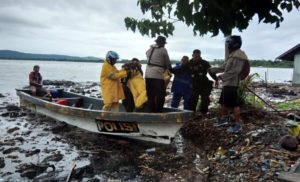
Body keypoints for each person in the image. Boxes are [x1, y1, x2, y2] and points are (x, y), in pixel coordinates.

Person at [211, 35, 248, 132]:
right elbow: (225, 67)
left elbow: (234, 71)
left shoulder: (238, 56)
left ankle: (237, 124)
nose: (227, 45)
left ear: (234, 44)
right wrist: (213, 70)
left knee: (234, 105)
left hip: (232, 84)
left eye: (229, 43)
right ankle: (223, 119)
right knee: (223, 102)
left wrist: (220, 77)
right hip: (227, 83)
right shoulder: (232, 54)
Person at [170, 49, 218, 120]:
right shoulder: (189, 64)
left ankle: (203, 116)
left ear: (200, 56)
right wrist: (169, 69)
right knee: (192, 100)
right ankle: (192, 115)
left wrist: (216, 79)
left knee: (205, 100)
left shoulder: (204, 63)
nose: (197, 58)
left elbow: (211, 72)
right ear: (192, 55)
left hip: (204, 84)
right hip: (194, 85)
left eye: (198, 56)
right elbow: (180, 70)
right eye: (195, 56)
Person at [145, 36, 171, 113]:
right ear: (162, 43)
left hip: (147, 75)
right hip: (157, 75)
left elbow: (147, 55)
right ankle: (159, 111)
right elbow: (167, 62)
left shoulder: (149, 49)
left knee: (150, 95)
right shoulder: (163, 50)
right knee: (161, 95)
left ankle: (150, 111)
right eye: (164, 43)